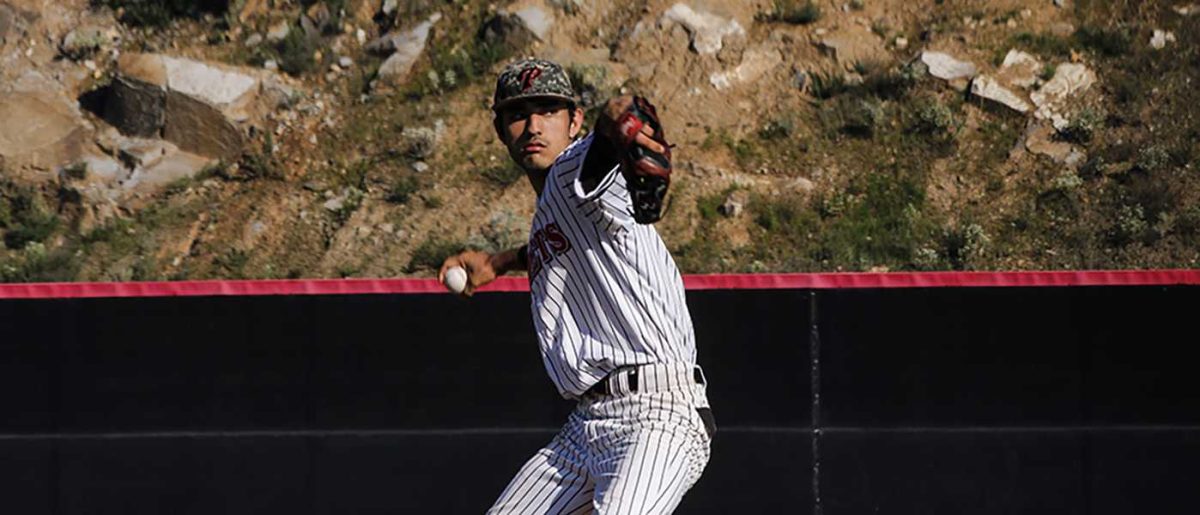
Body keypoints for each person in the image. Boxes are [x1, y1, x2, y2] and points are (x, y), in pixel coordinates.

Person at [439, 58, 715, 514]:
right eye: (517, 114)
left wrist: (621, 113)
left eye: (548, 110)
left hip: (658, 415)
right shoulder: (554, 207)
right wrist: (501, 261)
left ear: (575, 122)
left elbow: (612, 128)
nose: (532, 126)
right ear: (499, 129)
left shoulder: (573, 171)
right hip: (586, 427)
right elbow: (557, 244)